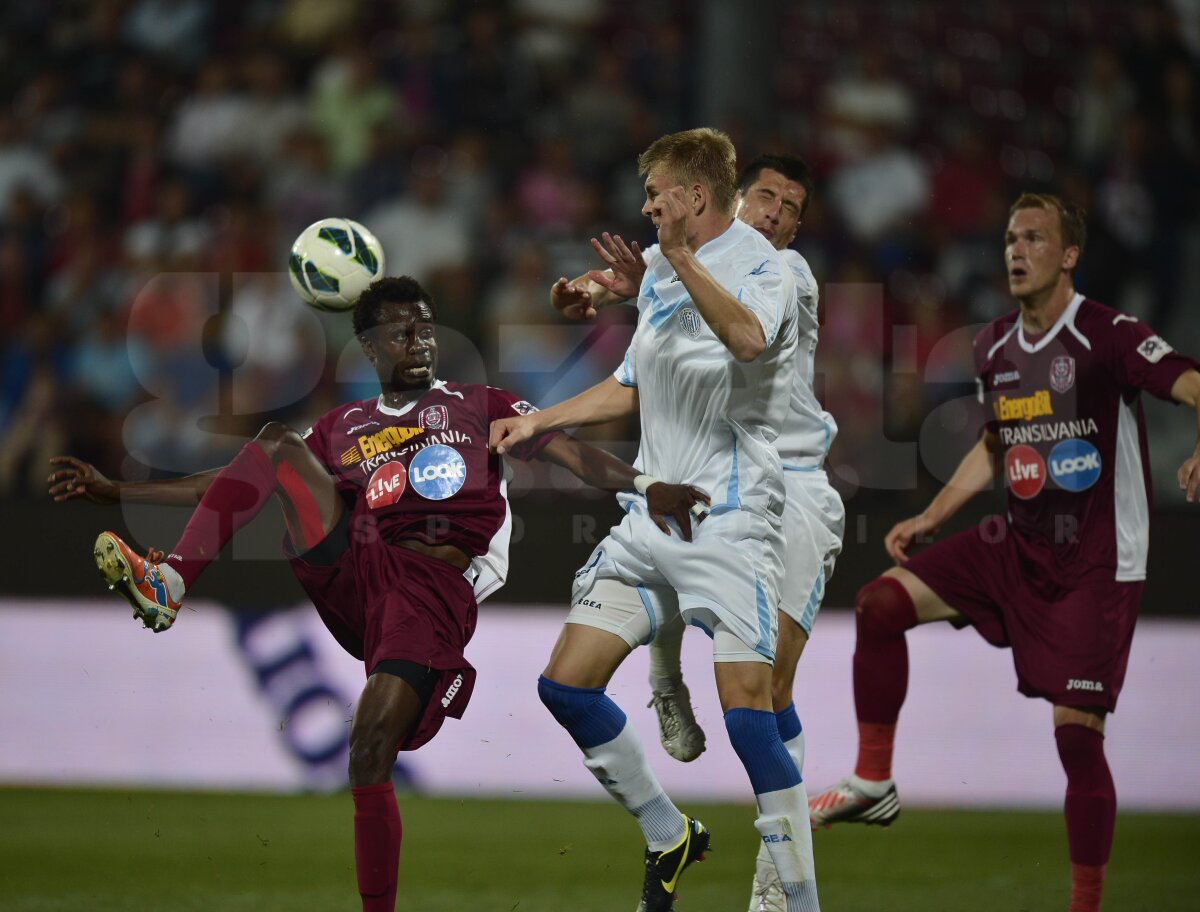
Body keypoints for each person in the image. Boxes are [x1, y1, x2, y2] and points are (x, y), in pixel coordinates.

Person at [47, 275, 707, 912]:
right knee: (277, 445)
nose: (418, 342)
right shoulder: (344, 426)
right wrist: (121, 491)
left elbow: (574, 456)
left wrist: (647, 488)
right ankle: (169, 584)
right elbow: (233, 481)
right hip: (359, 569)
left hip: (430, 594)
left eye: (424, 329)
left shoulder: (482, 406)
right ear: (369, 346)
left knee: (367, 752)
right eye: (400, 332)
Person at [806, 194, 1200, 912]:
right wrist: (931, 515)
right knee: (879, 603)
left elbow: (1193, 383)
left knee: (1078, 744)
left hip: (1096, 564)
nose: (1016, 251)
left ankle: (1086, 905)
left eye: (1035, 239)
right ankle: (873, 781)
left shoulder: (1108, 334)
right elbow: (998, 444)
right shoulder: (993, 346)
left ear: (1070, 255)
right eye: (1011, 239)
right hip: (1015, 547)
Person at [491, 128, 822, 912]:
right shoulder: (663, 274)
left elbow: (746, 341)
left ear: (695, 198)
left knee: (751, 720)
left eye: (656, 194)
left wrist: (675, 262)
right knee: (565, 687)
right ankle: (669, 832)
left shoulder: (766, 267)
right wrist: (540, 423)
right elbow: (630, 385)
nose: (646, 207)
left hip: (729, 516)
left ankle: (798, 905)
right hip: (652, 515)